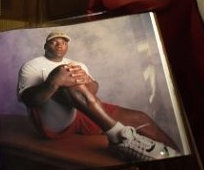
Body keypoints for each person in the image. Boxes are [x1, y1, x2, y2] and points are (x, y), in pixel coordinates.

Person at [17, 31, 180, 162]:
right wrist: (53, 82)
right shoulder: (32, 65)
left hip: (79, 112)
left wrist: (86, 82)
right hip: (54, 122)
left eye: (64, 42)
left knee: (139, 117)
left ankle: (179, 157)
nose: (60, 45)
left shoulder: (77, 63)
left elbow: (93, 88)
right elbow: (29, 100)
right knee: (62, 75)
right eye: (54, 42)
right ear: (46, 46)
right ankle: (119, 137)